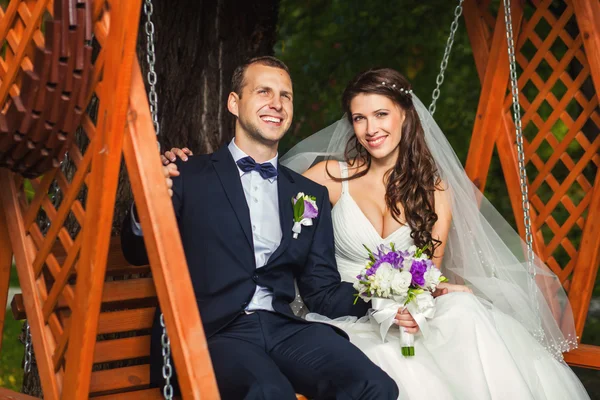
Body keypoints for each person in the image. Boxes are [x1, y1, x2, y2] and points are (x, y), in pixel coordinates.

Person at [167, 67, 591, 399]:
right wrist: (182, 174)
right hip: (349, 315)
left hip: (401, 311)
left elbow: (427, 274)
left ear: (404, 114)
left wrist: (436, 292)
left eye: (381, 114)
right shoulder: (326, 181)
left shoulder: (435, 191)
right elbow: (265, 207)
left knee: (465, 317)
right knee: (387, 364)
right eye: (359, 118)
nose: (371, 129)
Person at [121, 56, 400, 400]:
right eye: (263, 92)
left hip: (284, 328)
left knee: (377, 386)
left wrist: (385, 294)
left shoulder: (307, 194)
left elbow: (322, 291)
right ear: (234, 103)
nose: (277, 104)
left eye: (286, 95)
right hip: (212, 333)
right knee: (270, 393)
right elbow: (135, 252)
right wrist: (144, 205)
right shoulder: (187, 174)